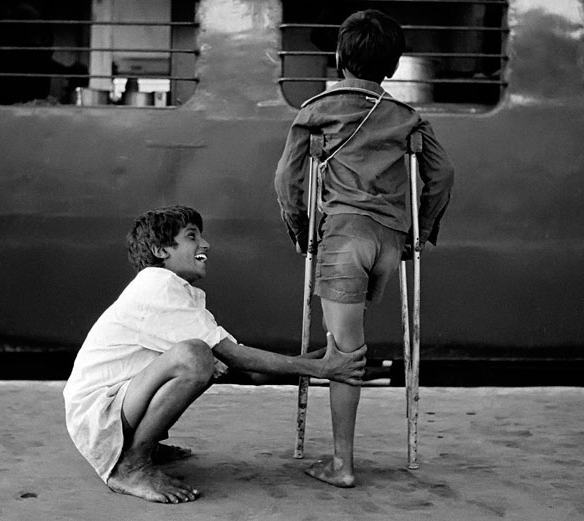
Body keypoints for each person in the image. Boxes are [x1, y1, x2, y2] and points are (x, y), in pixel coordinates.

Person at [63, 205, 366, 504]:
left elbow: (251, 370)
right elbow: (232, 356)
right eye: (192, 236)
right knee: (194, 357)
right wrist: (323, 369)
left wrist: (326, 356)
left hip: (111, 409)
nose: (205, 244)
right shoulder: (158, 285)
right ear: (160, 250)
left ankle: (143, 445)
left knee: (203, 358)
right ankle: (132, 465)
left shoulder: (179, 294)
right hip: (97, 416)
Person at [274, 9, 454, 488]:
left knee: (343, 353)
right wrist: (422, 232)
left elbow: (287, 179)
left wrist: (300, 230)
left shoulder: (316, 111)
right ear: (392, 67)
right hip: (388, 243)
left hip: (342, 242)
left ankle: (342, 464)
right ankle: (364, 454)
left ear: (338, 58)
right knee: (353, 345)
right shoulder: (408, 117)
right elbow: (441, 175)